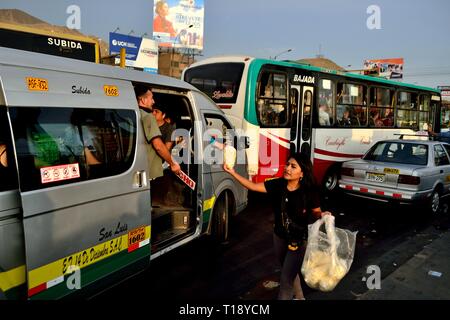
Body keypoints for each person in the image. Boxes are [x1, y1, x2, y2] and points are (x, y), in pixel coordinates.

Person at [223, 152, 332, 300]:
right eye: (287, 164)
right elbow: (253, 186)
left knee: (286, 279)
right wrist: (232, 173)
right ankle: (300, 297)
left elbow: (316, 212)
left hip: (298, 241)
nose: (287, 168)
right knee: (289, 272)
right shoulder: (278, 184)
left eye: (293, 166)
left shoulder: (309, 191)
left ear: (302, 173)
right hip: (279, 236)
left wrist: (323, 215)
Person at [134, 85, 180, 180]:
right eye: (151, 98)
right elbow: (158, 146)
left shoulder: (135, 114)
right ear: (143, 100)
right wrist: (172, 164)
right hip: (151, 173)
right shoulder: (148, 116)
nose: (153, 101)